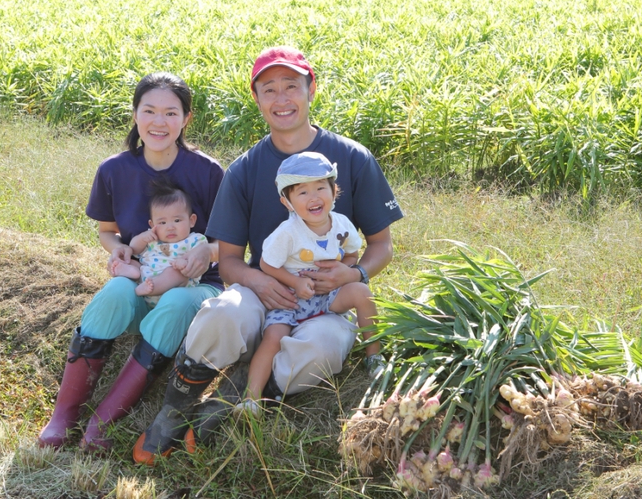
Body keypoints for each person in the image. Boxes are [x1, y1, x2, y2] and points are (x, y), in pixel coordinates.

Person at [134, 46, 403, 464]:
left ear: (311, 89)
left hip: (327, 299)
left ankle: (234, 397)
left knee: (325, 347)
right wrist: (260, 281)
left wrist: (355, 276)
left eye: (291, 87)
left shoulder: (352, 158)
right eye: (269, 89)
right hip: (263, 291)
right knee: (222, 313)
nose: (281, 99)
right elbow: (227, 261)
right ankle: (175, 407)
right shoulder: (245, 168)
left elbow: (381, 245)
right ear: (256, 99)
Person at [37, 72, 224, 450]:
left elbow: (230, 242)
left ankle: (103, 421)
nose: (159, 122)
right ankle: (64, 414)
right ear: (135, 114)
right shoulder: (113, 170)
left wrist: (207, 250)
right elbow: (107, 231)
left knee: (173, 302)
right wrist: (117, 249)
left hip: (195, 286)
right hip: (145, 277)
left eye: (171, 113)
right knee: (115, 291)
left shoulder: (208, 171)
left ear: (186, 119)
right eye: (149, 111)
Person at [238, 152, 384, 413]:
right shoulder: (288, 232)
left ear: (334, 190)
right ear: (288, 202)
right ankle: (251, 398)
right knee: (273, 338)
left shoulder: (342, 224)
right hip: (291, 299)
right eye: (302, 192)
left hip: (328, 293)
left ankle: (374, 355)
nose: (314, 197)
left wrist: (346, 268)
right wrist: (293, 281)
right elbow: (266, 264)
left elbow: (351, 251)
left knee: (362, 292)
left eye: (320, 188)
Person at [110, 180, 207, 304]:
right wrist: (142, 238)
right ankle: (130, 272)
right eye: (162, 223)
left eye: (177, 220)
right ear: (152, 224)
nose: (170, 227)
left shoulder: (194, 240)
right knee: (136, 265)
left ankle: (151, 288)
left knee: (176, 273)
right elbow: (133, 249)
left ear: (191, 220)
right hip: (145, 277)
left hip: (176, 287)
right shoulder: (153, 239)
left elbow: (199, 259)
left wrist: (184, 263)